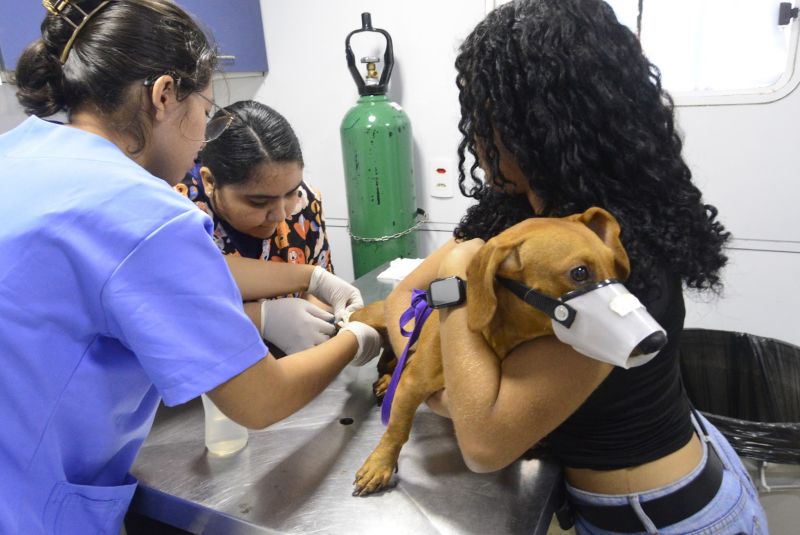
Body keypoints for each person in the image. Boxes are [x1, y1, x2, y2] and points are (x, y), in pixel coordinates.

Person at [385, 1, 767, 534]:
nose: (473, 135)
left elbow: (485, 442)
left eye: (482, 114)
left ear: (531, 125)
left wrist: (456, 294)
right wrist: (445, 386)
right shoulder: (521, 214)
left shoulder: (603, 261)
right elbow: (403, 298)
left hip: (662, 518)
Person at [0, 1, 380, 533]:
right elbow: (259, 399)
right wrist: (358, 339)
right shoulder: (146, 211)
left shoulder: (17, 155)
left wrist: (308, 276)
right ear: (163, 96)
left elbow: (146, 279)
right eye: (204, 110)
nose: (204, 135)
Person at [175, 100, 338, 356]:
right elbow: (172, 313)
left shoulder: (304, 202)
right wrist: (257, 318)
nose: (281, 214)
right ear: (209, 181)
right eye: (259, 202)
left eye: (290, 193)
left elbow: (321, 293)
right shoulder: (177, 214)